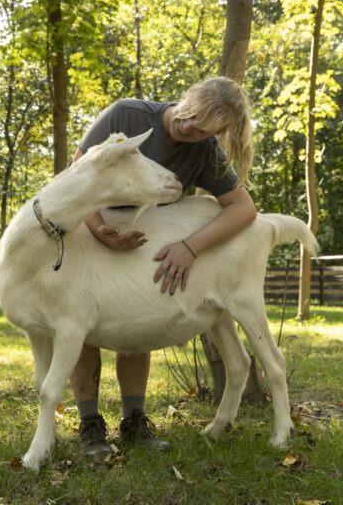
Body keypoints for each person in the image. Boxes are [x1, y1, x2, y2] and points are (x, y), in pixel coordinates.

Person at [69, 76, 258, 456]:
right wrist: (100, 229)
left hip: (143, 234)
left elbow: (244, 209)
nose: (188, 128)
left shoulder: (204, 151)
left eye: (203, 128)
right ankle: (90, 423)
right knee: (81, 323)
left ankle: (134, 421)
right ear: (187, 97)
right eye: (190, 116)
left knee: (135, 321)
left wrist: (191, 247)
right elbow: (77, 174)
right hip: (90, 224)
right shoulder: (127, 114)